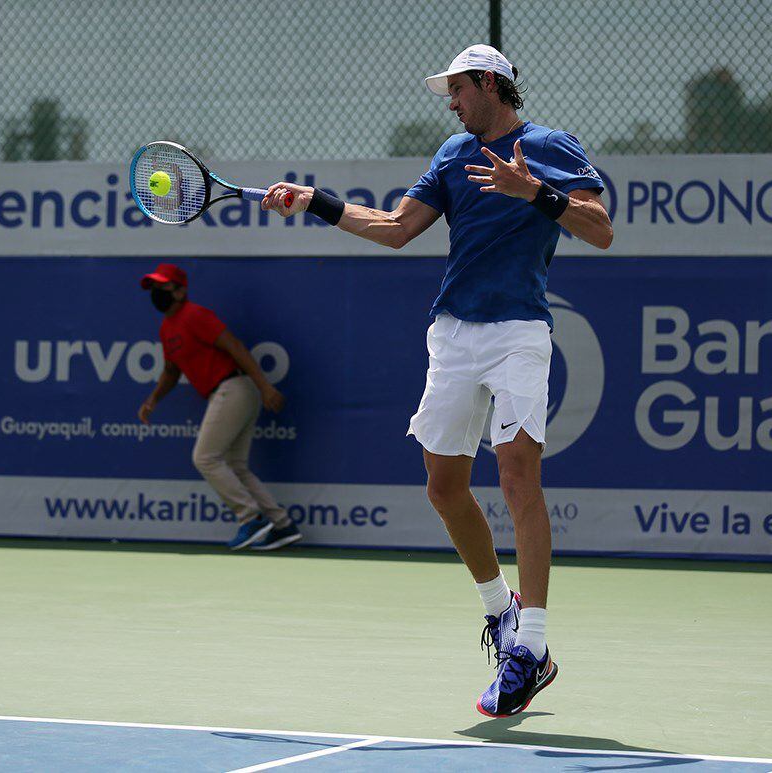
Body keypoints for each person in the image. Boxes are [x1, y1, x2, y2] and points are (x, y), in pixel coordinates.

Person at [261, 44, 612, 716]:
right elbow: (396, 228)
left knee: (517, 478)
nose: (450, 103)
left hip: (519, 332)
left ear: (488, 83)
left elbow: (599, 229)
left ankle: (530, 648)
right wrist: (314, 200)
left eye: (456, 89)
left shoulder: (548, 146)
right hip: (453, 332)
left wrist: (532, 190)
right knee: (443, 486)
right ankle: (500, 612)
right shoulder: (453, 155)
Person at [137, 262, 302, 552]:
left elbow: (235, 346)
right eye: (152, 287)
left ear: (179, 291)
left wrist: (265, 386)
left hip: (234, 388)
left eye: (161, 286)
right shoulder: (167, 328)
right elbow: (171, 371)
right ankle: (281, 525)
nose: (155, 292)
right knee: (235, 465)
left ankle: (250, 517)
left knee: (205, 458)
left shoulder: (195, 315)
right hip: (227, 393)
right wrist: (153, 399)